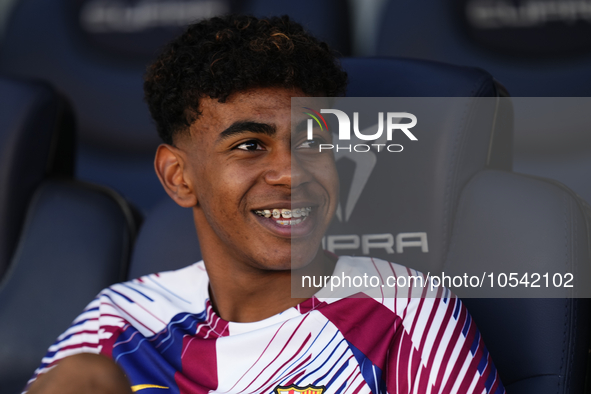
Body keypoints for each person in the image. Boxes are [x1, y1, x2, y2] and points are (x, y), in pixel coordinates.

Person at [26, 15, 504, 394]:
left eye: (313, 143)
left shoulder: (403, 311)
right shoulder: (120, 320)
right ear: (179, 177)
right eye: (250, 145)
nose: (293, 172)